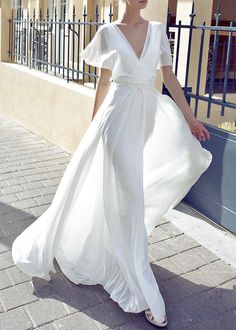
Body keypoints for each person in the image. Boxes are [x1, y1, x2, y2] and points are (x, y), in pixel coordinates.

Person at [11, 0, 213, 327]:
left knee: (127, 195)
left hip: (145, 119)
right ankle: (142, 288)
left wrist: (190, 118)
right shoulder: (108, 32)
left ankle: (112, 250)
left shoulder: (158, 31)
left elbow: (169, 77)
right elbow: (104, 83)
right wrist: (93, 129)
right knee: (130, 199)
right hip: (115, 121)